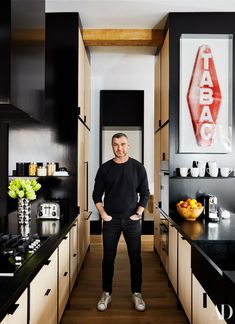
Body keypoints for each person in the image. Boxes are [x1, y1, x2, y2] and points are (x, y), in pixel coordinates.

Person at [92, 132, 150, 312]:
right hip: (111, 220)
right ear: (112, 146)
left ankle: (137, 294)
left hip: (132, 220)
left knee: (136, 258)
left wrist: (139, 213)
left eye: (123, 144)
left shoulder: (138, 167)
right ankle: (106, 293)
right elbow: (96, 194)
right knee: (108, 258)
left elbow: (145, 193)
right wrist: (102, 213)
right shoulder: (105, 168)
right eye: (116, 144)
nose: (119, 148)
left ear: (128, 145)